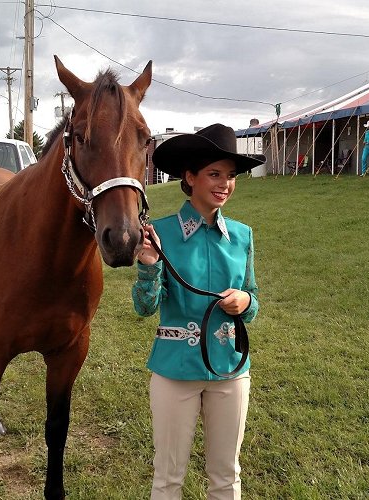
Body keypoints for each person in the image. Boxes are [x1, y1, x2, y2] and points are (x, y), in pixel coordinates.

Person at [132, 123, 261, 500]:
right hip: (175, 370)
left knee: (226, 477)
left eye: (231, 176)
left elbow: (253, 300)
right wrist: (148, 265)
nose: (224, 184)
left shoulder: (242, 235)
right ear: (189, 177)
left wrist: (246, 302)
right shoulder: (158, 233)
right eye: (214, 174)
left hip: (231, 369)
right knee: (168, 478)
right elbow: (144, 308)